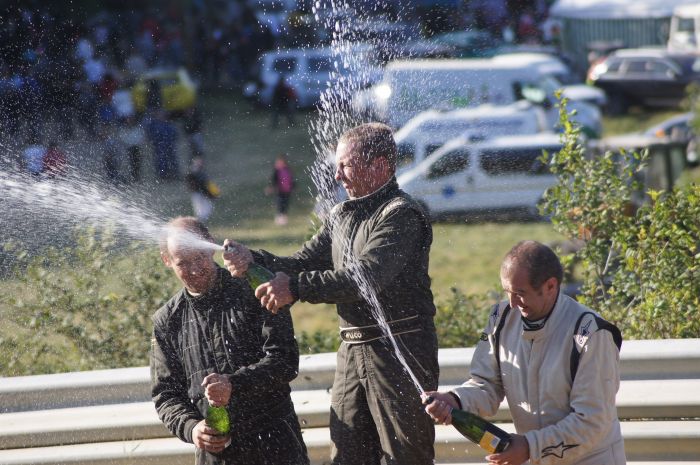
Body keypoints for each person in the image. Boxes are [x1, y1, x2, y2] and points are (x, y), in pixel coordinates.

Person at [223, 122, 439, 465]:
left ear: (379, 167)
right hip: (352, 351)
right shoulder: (342, 215)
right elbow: (299, 262)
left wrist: (294, 289)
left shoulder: (402, 216)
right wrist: (255, 260)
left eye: (346, 166)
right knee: (347, 454)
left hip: (399, 351)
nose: (337, 176)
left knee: (405, 457)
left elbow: (363, 278)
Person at [424, 241, 625, 465]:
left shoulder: (591, 334)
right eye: (507, 291)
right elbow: (487, 384)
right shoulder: (501, 318)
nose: (511, 302)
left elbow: (591, 420)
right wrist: (455, 400)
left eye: (520, 293)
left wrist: (530, 446)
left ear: (551, 286)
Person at [150, 217, 309, 465]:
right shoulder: (167, 320)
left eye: (200, 257)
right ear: (166, 260)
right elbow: (166, 394)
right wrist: (192, 429)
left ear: (211, 244)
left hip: (276, 446)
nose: (195, 269)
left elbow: (285, 361)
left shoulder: (257, 290)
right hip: (216, 456)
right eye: (183, 263)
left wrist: (233, 384)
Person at [185, 157, 219, 223]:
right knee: (199, 208)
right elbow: (190, 183)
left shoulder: (202, 172)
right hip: (197, 192)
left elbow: (206, 183)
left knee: (206, 208)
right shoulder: (193, 172)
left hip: (204, 193)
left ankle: (202, 220)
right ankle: (200, 220)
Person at [266, 153, 294, 226]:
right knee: (280, 204)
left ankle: (284, 218)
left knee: (285, 204)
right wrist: (271, 187)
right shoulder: (277, 171)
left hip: (287, 191)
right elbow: (274, 180)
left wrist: (293, 186)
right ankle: (280, 218)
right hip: (280, 191)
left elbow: (291, 179)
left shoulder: (287, 170)